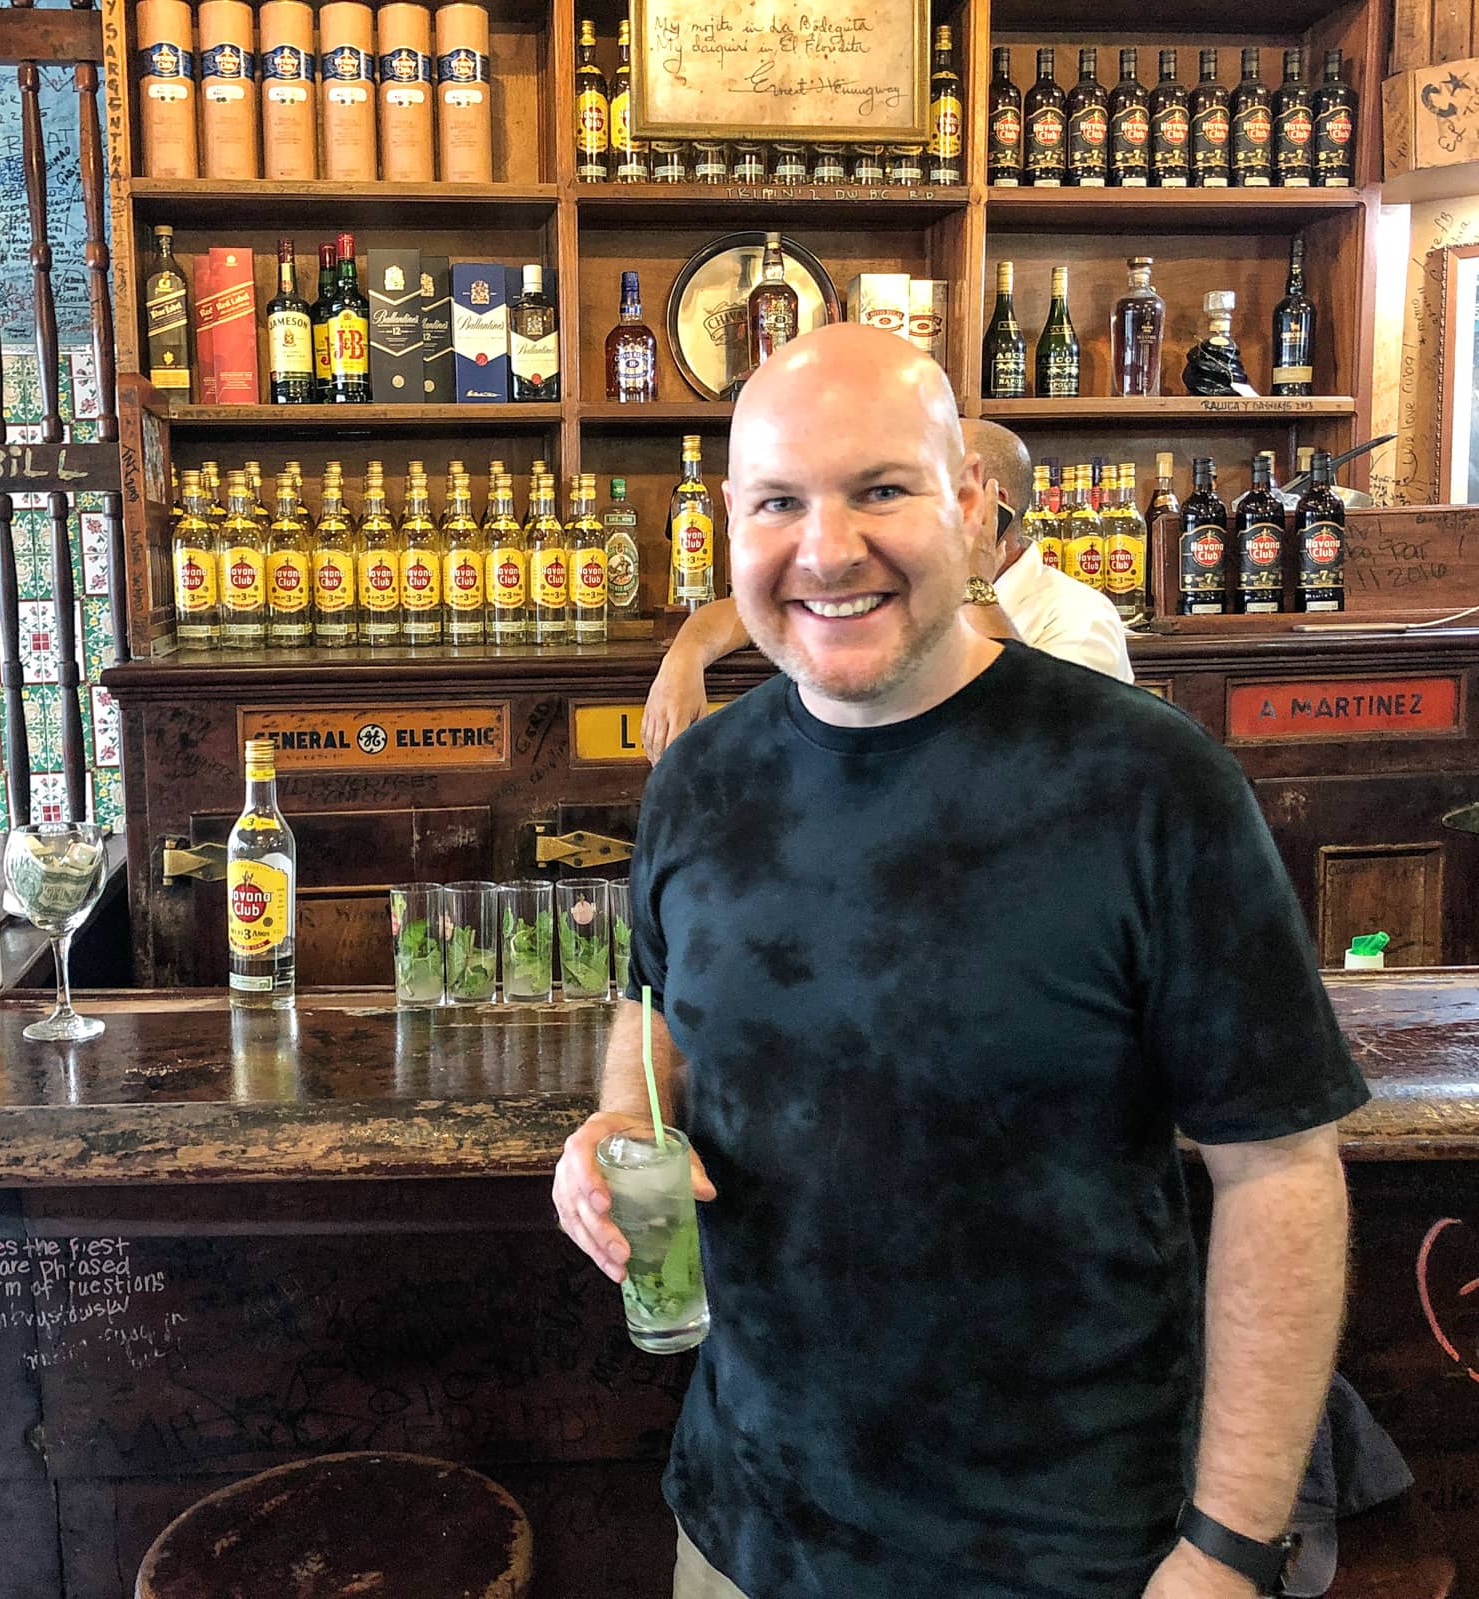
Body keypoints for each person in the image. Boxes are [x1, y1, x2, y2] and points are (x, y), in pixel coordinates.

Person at [552, 323, 1368, 1599]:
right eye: (780, 502)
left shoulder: (1146, 781)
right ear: (728, 523)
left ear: (971, 506)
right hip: (745, 1528)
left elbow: (1280, 1171)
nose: (827, 549)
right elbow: (656, 1007)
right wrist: (614, 1115)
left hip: (1068, 1547)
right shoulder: (700, 778)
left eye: (880, 488)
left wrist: (1224, 1548)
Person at [641, 417, 1132, 763]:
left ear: (981, 500)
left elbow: (1044, 758)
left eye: (898, 489)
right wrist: (683, 660)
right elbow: (749, 609)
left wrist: (973, 575)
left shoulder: (1077, 615)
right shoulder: (912, 584)